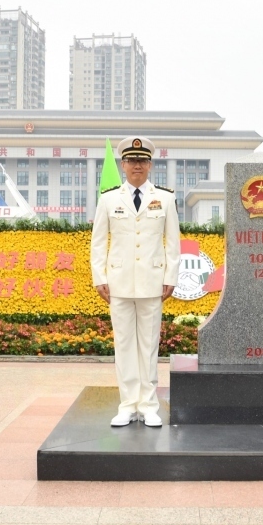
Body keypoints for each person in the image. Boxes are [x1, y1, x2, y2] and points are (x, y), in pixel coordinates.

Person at [90, 136, 179, 428]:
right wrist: (100, 277)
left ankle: (149, 405)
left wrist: (171, 276)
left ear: (150, 165)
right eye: (131, 161)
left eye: (142, 161)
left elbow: (173, 243)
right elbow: (99, 242)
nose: (136, 166)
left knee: (149, 345)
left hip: (152, 282)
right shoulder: (108, 199)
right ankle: (128, 405)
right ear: (123, 165)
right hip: (118, 283)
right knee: (125, 344)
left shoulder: (165, 198)